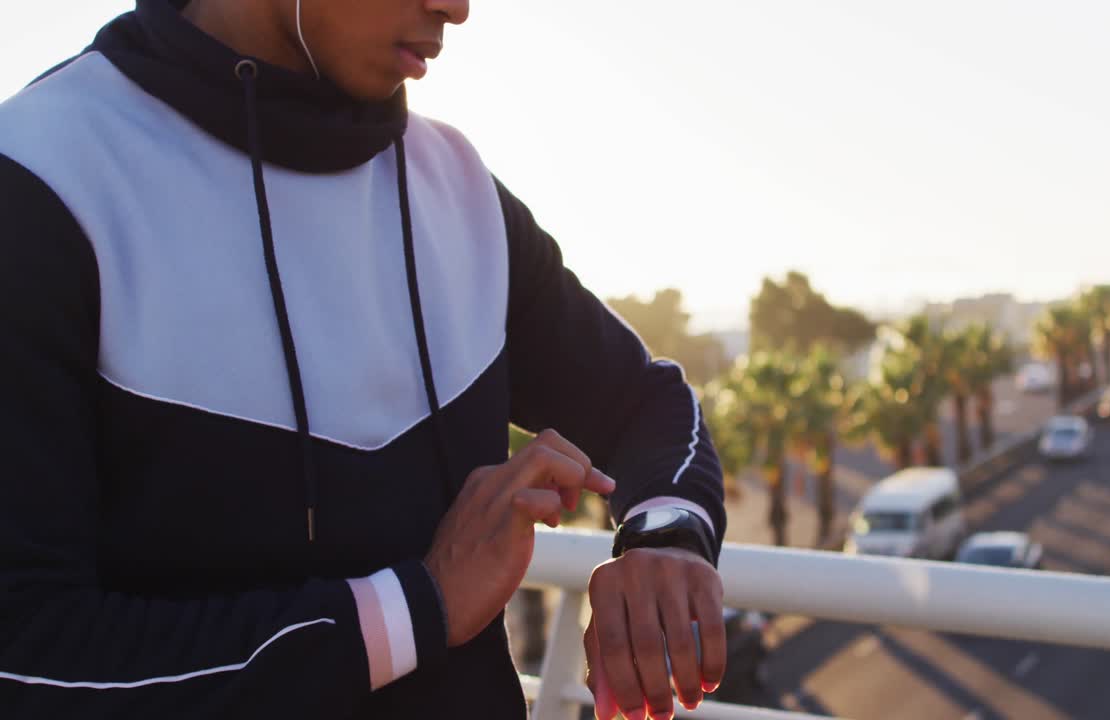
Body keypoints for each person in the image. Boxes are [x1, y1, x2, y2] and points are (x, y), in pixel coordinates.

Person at [0, 1, 728, 718]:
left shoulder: (459, 184)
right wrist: (418, 608)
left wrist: (665, 534)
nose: (457, 8)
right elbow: (27, 661)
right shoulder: (41, 177)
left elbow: (648, 404)